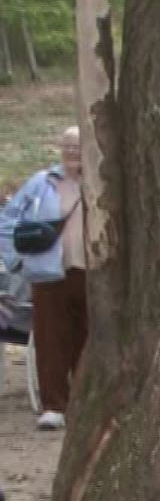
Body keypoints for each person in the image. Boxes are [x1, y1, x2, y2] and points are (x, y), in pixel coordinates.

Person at [0, 127, 90, 430]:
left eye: (78, 146)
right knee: (50, 340)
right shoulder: (42, 183)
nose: (72, 152)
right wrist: (15, 260)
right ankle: (54, 405)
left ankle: (83, 404)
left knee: (88, 339)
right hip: (49, 273)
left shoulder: (101, 181)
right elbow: (7, 218)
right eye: (67, 146)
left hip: (91, 272)